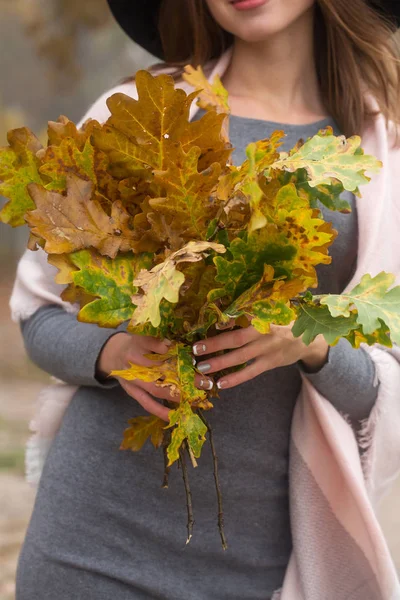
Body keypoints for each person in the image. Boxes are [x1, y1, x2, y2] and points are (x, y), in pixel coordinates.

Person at [12, 1, 400, 599]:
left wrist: (311, 339)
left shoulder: (385, 147)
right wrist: (116, 352)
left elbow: (385, 382)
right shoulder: (138, 110)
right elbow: (38, 315)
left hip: (260, 564)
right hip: (91, 545)